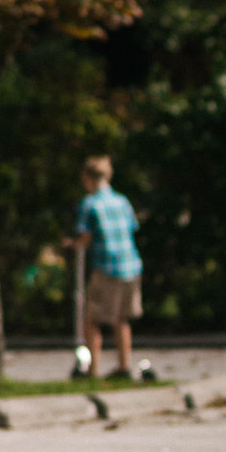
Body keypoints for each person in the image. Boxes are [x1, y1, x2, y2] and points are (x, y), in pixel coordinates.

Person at [68, 156, 150, 381]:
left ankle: (93, 371)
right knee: (122, 318)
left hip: (107, 266)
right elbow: (132, 227)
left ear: (87, 177)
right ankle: (124, 366)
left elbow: (86, 237)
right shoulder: (122, 201)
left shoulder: (90, 203)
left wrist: (72, 245)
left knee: (92, 320)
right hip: (131, 265)